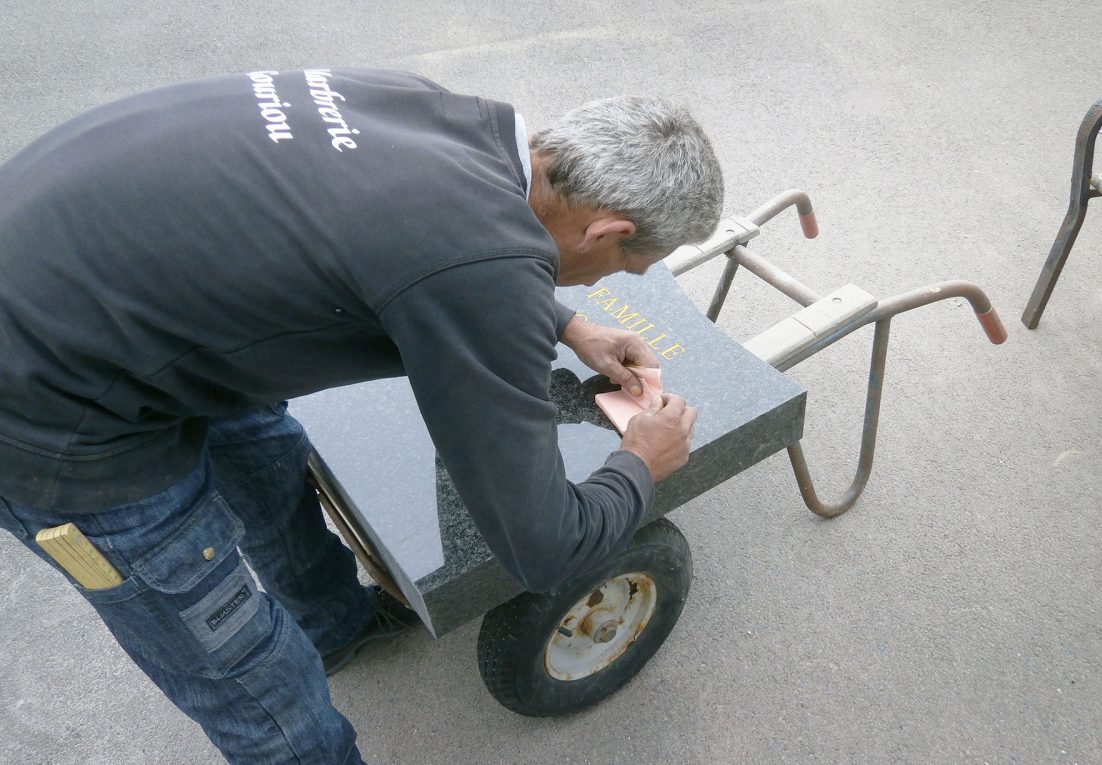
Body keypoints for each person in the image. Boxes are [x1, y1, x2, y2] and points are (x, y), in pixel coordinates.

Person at [0, 68, 722, 763]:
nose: (611, 282)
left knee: (266, 448)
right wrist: (640, 461)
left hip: (72, 269)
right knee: (249, 671)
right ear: (606, 231)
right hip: (48, 408)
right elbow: (543, 546)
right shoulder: (477, 266)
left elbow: (421, 236)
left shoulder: (440, 117)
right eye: (627, 267)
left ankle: (337, 628)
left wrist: (565, 324)